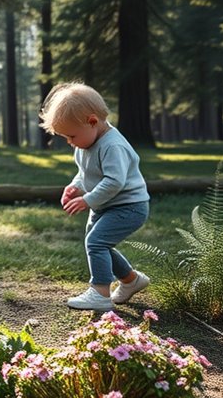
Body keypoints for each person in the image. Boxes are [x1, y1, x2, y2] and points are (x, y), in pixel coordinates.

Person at [40, 82, 151, 311]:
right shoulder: (85, 143)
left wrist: (87, 200)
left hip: (129, 207)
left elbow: (114, 181)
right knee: (99, 244)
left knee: (96, 242)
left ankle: (100, 293)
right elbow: (86, 173)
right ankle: (131, 281)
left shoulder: (113, 146)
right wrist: (74, 186)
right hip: (105, 206)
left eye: (71, 136)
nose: (70, 142)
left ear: (92, 121)